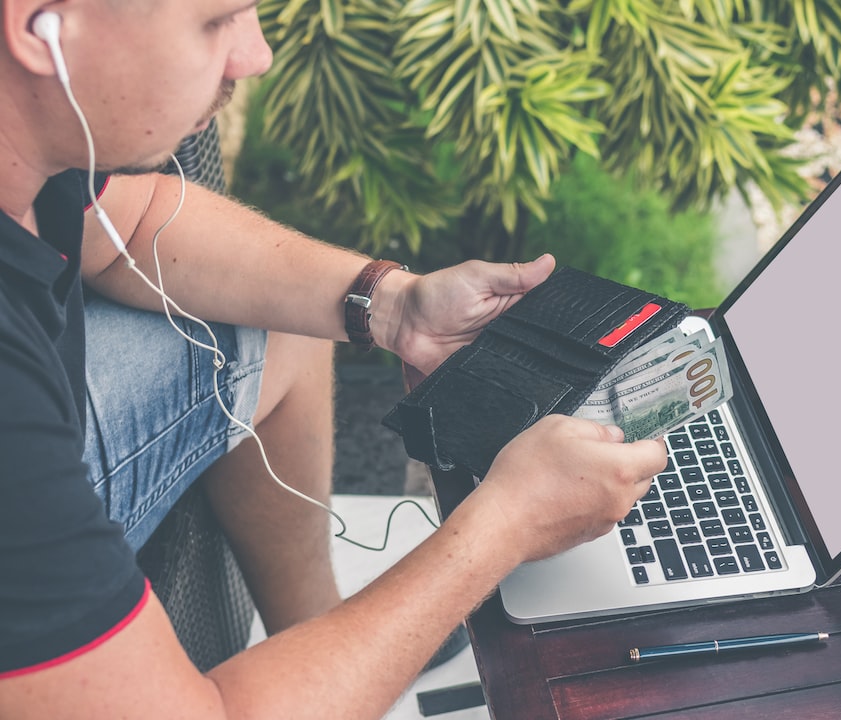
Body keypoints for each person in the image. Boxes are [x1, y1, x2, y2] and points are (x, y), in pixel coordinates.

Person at [0, 1, 669, 718]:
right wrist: (502, 527)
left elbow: (126, 219)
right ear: (39, 26)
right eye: (216, 21)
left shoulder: (36, 135)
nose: (255, 55)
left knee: (276, 317)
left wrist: (390, 303)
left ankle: (320, 641)